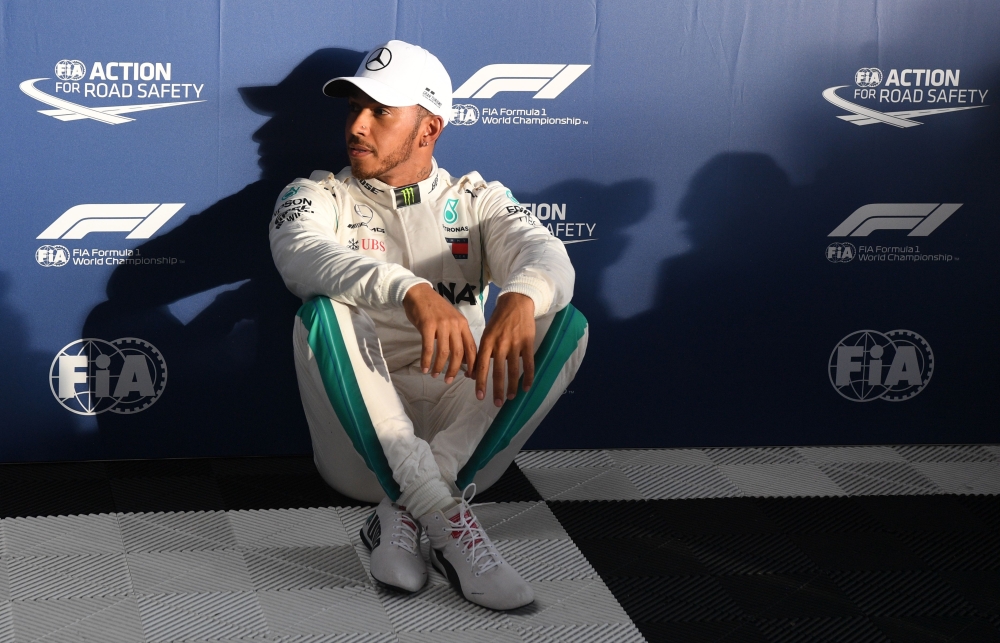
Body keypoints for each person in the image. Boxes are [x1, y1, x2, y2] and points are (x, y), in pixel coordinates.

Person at [268, 40, 587, 610]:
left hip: (463, 444)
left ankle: (410, 505)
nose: (358, 126)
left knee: (562, 320)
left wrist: (519, 296)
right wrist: (409, 288)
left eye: (381, 112)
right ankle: (444, 516)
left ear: (428, 128)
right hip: (359, 453)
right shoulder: (317, 195)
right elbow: (300, 254)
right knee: (323, 312)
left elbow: (547, 255)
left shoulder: (478, 200)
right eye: (354, 108)